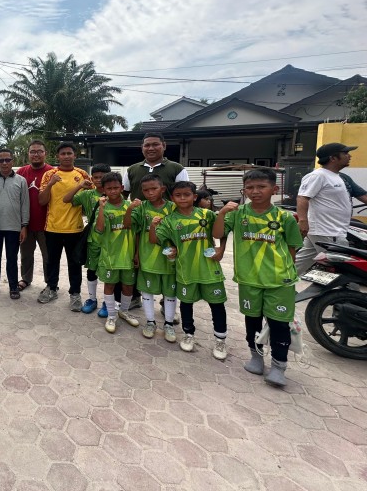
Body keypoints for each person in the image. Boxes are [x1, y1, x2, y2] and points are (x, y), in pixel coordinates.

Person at [213, 168, 303, 387]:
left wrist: (286, 274)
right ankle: (256, 357)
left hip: (279, 281)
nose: (255, 191)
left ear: (275, 189)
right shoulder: (237, 214)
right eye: (250, 188)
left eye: (261, 187)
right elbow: (217, 234)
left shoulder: (285, 217)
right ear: (244, 190)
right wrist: (222, 213)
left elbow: (292, 249)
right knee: (252, 320)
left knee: (279, 323)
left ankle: (279, 366)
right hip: (248, 279)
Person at [151, 181, 228, 360]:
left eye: (187, 194)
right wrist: (168, 249)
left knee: (217, 305)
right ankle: (188, 334)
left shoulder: (207, 214)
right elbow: (160, 243)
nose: (183, 198)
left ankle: (220, 339)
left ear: (195, 197)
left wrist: (221, 249)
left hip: (210, 270)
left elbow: (221, 233)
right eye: (178, 195)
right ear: (172, 198)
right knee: (186, 304)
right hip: (185, 271)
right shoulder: (170, 220)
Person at [124, 132, 189, 310]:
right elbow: (124, 196)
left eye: (155, 144)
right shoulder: (132, 169)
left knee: (171, 261)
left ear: (164, 146)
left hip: (169, 227)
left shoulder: (177, 168)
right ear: (142, 147)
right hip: (141, 224)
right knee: (139, 261)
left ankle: (167, 303)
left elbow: (185, 196)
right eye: (147, 145)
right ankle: (137, 297)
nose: (151, 148)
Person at [124, 173, 178, 342]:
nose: (150, 192)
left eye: (154, 188)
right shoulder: (141, 207)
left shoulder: (173, 207)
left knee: (170, 292)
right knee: (147, 290)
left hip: (168, 258)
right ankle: (150, 322)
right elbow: (133, 228)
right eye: (146, 190)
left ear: (162, 189)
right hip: (147, 257)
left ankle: (168, 324)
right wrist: (137, 254)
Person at [38, 142, 90, 310]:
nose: (66, 156)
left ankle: (75, 294)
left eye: (69, 153)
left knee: (75, 263)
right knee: (52, 261)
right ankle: (51, 288)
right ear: (58, 156)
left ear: (75, 155)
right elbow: (42, 201)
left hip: (75, 228)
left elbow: (92, 198)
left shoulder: (82, 174)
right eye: (63, 154)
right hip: (52, 227)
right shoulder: (49, 174)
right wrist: (51, 183)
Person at [295, 143, 361, 274]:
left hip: (328, 230)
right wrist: (302, 221)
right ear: (333, 158)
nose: (349, 156)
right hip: (328, 231)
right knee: (344, 268)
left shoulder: (336, 176)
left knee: (299, 263)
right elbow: (302, 198)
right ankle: (350, 294)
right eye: (345, 153)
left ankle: (277, 284)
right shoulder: (318, 176)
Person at [94, 172, 140, 333]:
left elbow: (137, 231)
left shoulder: (132, 206)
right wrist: (101, 208)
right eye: (109, 188)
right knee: (110, 285)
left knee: (128, 286)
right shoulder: (103, 206)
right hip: (110, 255)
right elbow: (99, 229)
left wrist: (136, 253)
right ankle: (111, 315)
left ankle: (124, 311)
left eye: (116, 188)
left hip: (128, 255)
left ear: (122, 187)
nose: (113, 191)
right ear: (104, 190)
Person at [0, 148, 30, 299]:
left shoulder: (21, 181)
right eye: (1, 160)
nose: (4, 163)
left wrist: (24, 226)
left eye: (7, 160)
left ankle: (13, 286)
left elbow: (25, 205)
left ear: (12, 161)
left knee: (12, 258)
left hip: (13, 227)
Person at [62, 164, 108, 314]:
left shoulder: (115, 195)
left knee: (109, 272)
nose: (99, 180)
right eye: (96, 177)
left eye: (103, 177)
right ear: (91, 178)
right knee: (92, 270)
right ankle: (92, 299)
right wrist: (79, 186)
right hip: (93, 239)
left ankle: (109, 302)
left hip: (113, 241)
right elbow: (66, 199)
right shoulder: (87, 194)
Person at [17, 140, 55, 293]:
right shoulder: (21, 172)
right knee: (26, 254)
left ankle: (50, 282)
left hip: (47, 224)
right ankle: (26, 279)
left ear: (45, 153)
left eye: (39, 151)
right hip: (26, 224)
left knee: (49, 257)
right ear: (28, 154)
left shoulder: (53, 172)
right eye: (33, 151)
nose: (36, 154)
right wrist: (21, 224)